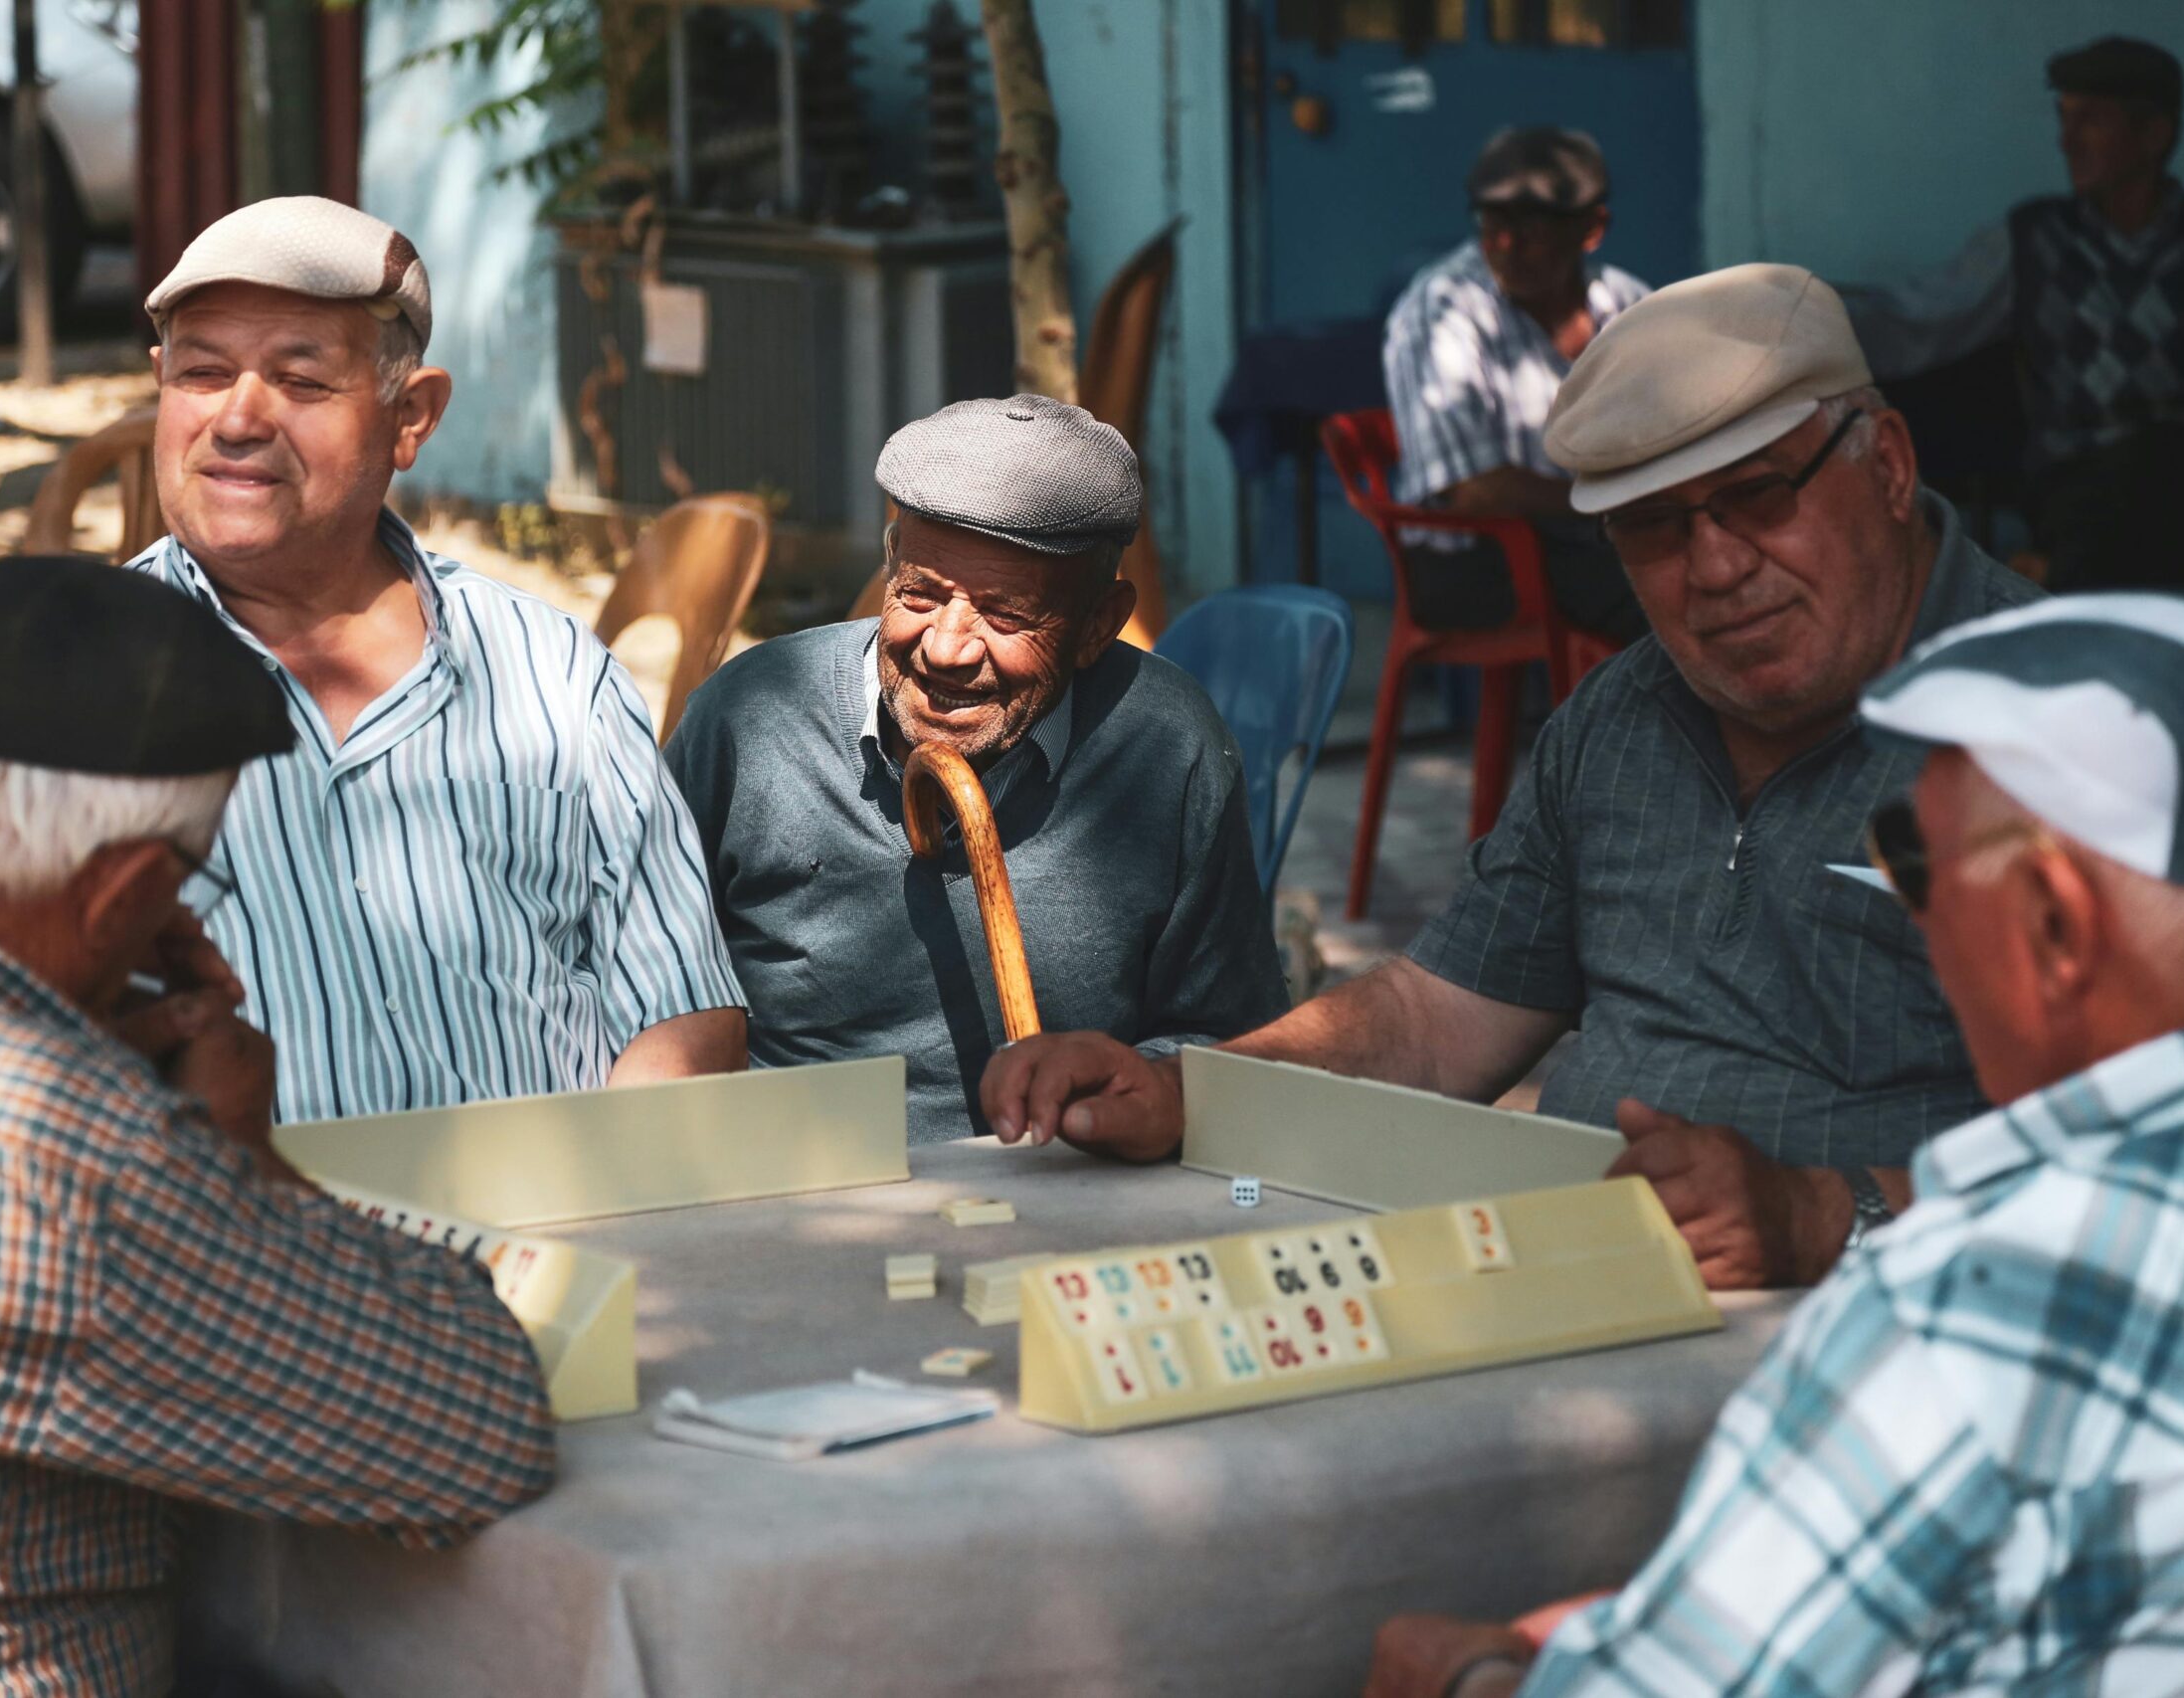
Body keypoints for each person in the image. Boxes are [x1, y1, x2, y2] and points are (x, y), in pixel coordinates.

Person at [985, 265, 2044, 1290]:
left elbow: (2175, 1148)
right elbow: (1435, 1022)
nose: (1715, 567)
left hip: (1906, 1330)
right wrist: (1190, 1092)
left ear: (1890, 467)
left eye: (1760, 498)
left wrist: (1831, 1219)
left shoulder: (2062, 729)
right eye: (1653, 527)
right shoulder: (1621, 717)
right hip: (1581, 1290)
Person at [1364, 593, 2184, 1698]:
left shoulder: (1967, 1314)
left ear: (2055, 925)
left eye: (1914, 863)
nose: (1912, 917)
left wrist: (1473, 1682)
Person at [0, 558, 557, 1697]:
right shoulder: (61, 1156)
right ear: (120, 897)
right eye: (185, 888)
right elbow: (469, 1427)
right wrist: (242, 1161)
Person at [130, 195, 745, 1124]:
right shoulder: (72, 690)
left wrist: (607, 1223)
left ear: (410, 417)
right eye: (202, 374)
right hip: (235, 1242)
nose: (238, 419)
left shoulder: (550, 674)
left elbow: (683, 1011)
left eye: (301, 381)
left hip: (547, 1235)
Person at [664, 396, 1287, 1141]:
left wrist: (1123, 1087)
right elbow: (633, 980)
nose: (947, 648)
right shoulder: (751, 718)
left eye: (1007, 613)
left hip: (1061, 1189)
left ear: (1099, 624)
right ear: (889, 564)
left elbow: (1227, 1042)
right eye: (919, 594)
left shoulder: (1166, 745)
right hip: (791, 1191)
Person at [1842, 37, 2184, 591]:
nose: (2066, 141)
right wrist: (1801, 315)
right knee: (2112, 512)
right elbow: (1917, 319)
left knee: (2169, 469)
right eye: (2064, 118)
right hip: (2079, 486)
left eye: (2090, 121)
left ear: (2152, 135)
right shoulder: (2033, 238)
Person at [1380, 124, 1649, 643]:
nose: (1504, 244)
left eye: (1531, 227)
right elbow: (1474, 493)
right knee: (1660, 591)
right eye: (1491, 222)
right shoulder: (1441, 309)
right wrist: (1614, 508)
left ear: (1592, 230)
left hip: (1583, 535)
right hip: (1472, 559)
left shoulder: (1626, 304)